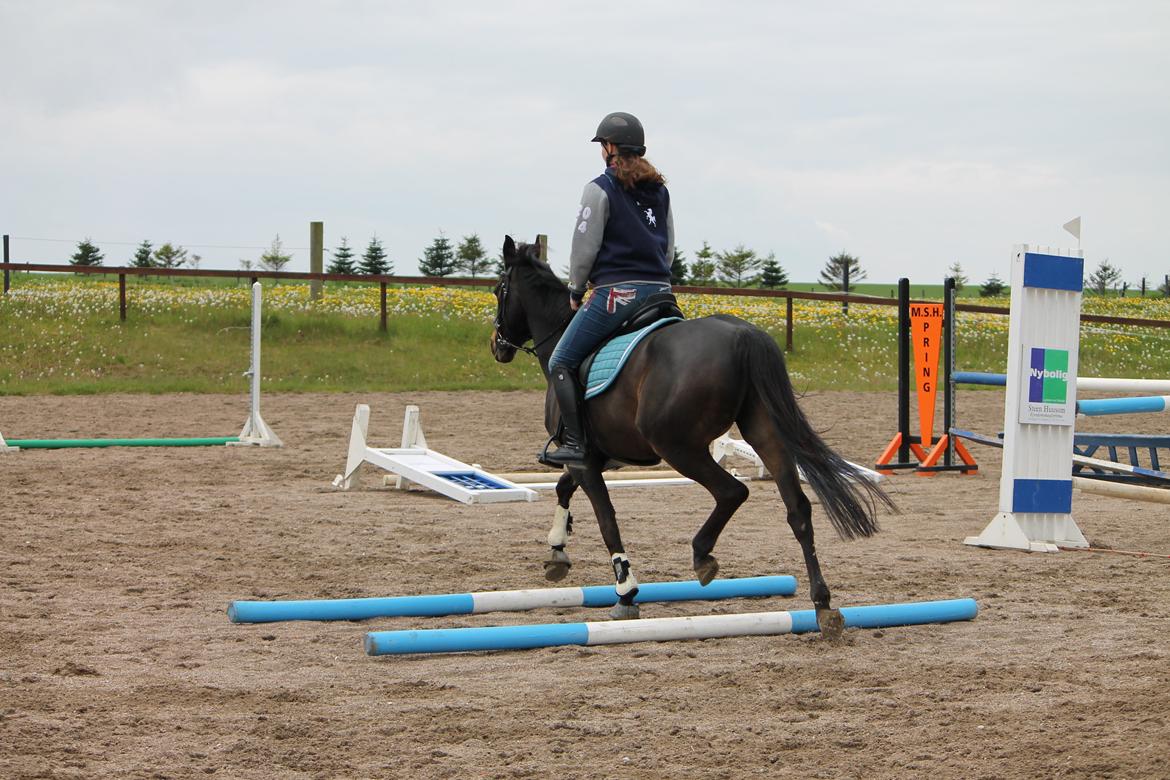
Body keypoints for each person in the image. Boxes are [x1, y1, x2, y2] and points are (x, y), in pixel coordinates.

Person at [541, 111, 675, 467]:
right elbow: (669, 248)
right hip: (661, 293)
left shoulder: (599, 189)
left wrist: (575, 289)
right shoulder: (660, 191)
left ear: (611, 147)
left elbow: (584, 247)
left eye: (603, 144)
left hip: (618, 295)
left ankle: (576, 443)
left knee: (560, 360)